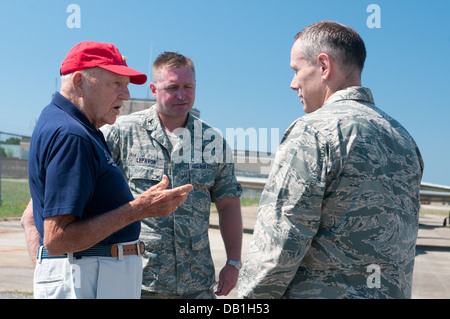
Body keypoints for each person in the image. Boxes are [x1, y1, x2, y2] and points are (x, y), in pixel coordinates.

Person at [238, 21, 424, 299]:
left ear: (324, 66)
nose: (292, 84)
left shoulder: (313, 131)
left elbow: (278, 248)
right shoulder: (403, 138)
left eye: (296, 70)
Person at [21, 41, 193, 299]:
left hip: (88, 276)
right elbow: (57, 239)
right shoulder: (72, 135)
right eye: (116, 84)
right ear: (79, 81)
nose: (126, 96)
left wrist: (49, 271)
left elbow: (30, 218)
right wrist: (140, 210)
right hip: (91, 280)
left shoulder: (74, 127)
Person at [101, 52, 243, 298]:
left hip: (196, 284)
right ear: (154, 90)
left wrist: (233, 263)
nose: (181, 95)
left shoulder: (213, 142)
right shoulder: (122, 133)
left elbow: (228, 203)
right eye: (172, 87)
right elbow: (95, 191)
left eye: (188, 87)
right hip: (138, 279)